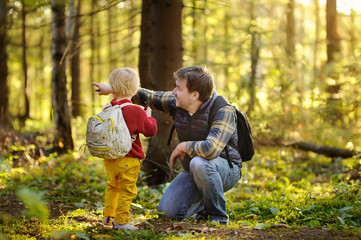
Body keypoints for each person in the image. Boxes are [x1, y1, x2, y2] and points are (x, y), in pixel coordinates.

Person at [93, 66, 241, 225]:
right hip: (193, 169)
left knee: (200, 163)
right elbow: (148, 96)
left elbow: (211, 150)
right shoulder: (176, 102)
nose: (173, 92)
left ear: (195, 95)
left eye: (178, 88)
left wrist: (183, 146)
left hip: (226, 169)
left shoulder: (223, 110)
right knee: (167, 212)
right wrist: (114, 89)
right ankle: (205, 204)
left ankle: (217, 217)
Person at [99, 68, 157, 230]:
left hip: (110, 158)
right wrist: (149, 116)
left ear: (112, 87)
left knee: (112, 186)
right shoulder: (136, 111)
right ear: (134, 89)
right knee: (127, 190)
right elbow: (150, 131)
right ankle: (121, 221)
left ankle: (108, 217)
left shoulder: (108, 108)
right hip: (129, 158)